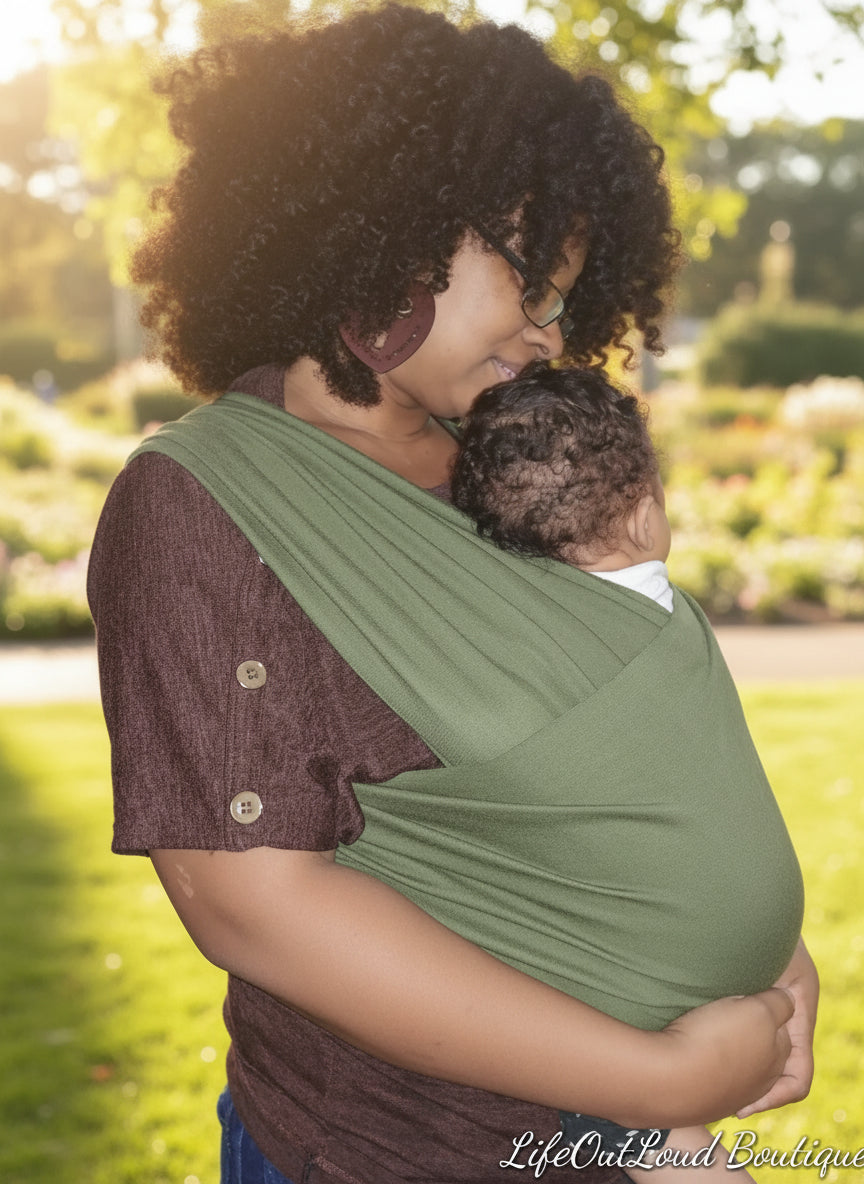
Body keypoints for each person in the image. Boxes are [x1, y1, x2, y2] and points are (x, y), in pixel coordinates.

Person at [86, 7, 817, 1184]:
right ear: (382, 232)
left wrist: (762, 953)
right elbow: (253, 905)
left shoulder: (507, 459)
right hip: (401, 1145)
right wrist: (658, 1081)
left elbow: (627, 725)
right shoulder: (204, 506)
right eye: (528, 280)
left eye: (569, 296)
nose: (548, 330)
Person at [449, 364, 790, 1181]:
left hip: (634, 963)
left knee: (649, 1121)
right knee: (663, 1128)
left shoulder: (507, 634)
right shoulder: (663, 608)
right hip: (686, 962)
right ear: (644, 514)